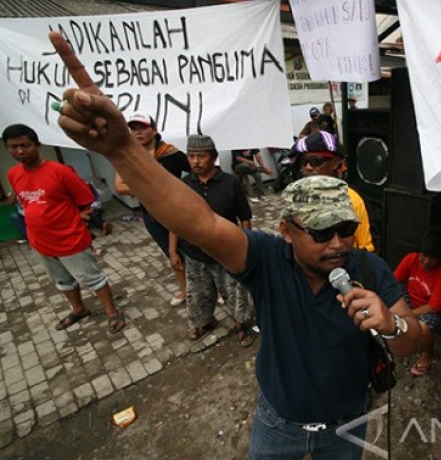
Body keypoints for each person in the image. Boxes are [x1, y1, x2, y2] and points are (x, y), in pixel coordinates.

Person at [48, 31, 422, 460]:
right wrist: (124, 150)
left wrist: (393, 323)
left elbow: (417, 341)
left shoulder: (367, 267)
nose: (338, 243)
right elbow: (198, 221)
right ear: (286, 231)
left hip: (348, 424)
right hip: (278, 423)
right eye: (321, 233)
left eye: (346, 230)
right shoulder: (265, 258)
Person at [2, 123, 125, 333]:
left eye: (25, 145)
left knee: (92, 278)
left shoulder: (60, 172)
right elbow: (25, 203)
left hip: (70, 239)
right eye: (13, 147)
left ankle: (113, 313)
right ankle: (79, 309)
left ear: (37, 144)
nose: (19, 151)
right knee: (62, 281)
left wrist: (94, 222)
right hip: (40, 242)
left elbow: (87, 202)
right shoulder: (14, 174)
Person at [171, 135, 255, 345]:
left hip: (226, 251)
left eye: (201, 156)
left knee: (234, 292)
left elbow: (244, 217)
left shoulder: (230, 183)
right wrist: (173, 250)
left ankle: (241, 325)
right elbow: (175, 220)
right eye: (191, 156)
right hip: (194, 252)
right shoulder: (184, 184)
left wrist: (246, 245)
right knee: (198, 293)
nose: (196, 161)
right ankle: (205, 322)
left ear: (213, 157)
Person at [115, 113, 190, 307]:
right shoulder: (129, 157)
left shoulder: (170, 154)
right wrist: (152, 190)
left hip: (177, 212)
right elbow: (119, 186)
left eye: (142, 128)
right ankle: (186, 289)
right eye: (133, 129)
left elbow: (196, 171)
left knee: (192, 250)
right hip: (151, 215)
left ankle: (210, 289)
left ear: (154, 130)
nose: (137, 132)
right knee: (171, 254)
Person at [293, 131, 375, 251]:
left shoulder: (352, 199)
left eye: (316, 161)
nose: (308, 167)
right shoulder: (296, 196)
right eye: (304, 161)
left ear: (335, 163)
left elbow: (365, 248)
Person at [393, 227, 441, 376]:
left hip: (439, 312)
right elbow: (393, 280)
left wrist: (408, 314)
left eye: (433, 258)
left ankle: (427, 356)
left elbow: (434, 307)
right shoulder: (411, 259)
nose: (427, 261)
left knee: (424, 326)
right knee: (392, 292)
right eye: (424, 255)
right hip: (414, 303)